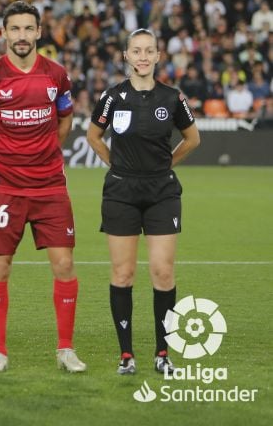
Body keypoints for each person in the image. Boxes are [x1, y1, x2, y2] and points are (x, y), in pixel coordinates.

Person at [0, 0, 86, 374]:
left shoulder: (57, 75)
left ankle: (65, 349)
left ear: (39, 32)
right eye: (15, 29)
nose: (22, 36)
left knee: (64, 264)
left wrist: (47, 152)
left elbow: (65, 119)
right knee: (0, 266)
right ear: (4, 33)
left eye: (28, 28)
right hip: (5, 186)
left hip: (50, 184)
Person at [86, 28, 200, 375]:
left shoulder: (172, 97)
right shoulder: (112, 96)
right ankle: (126, 355)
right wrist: (116, 165)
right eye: (136, 51)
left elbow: (192, 139)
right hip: (121, 192)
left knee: (163, 272)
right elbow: (93, 135)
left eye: (149, 50)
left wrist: (167, 165)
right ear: (126, 56)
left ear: (158, 56)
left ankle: (163, 353)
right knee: (123, 273)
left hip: (162, 192)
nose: (143, 57)